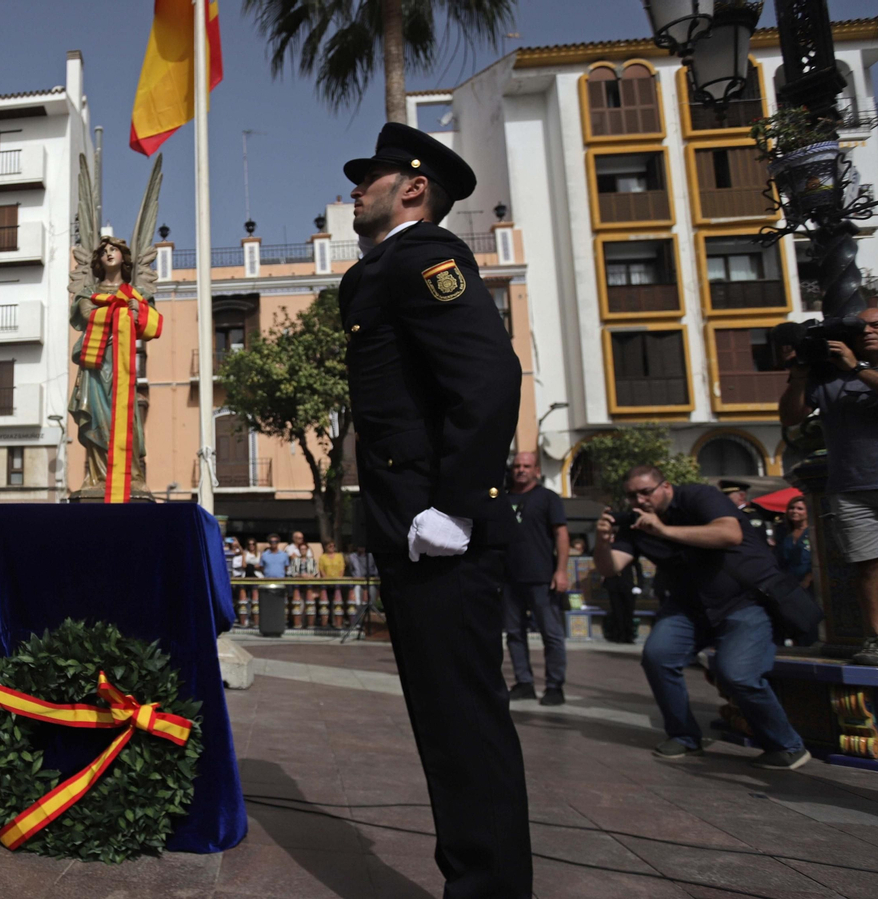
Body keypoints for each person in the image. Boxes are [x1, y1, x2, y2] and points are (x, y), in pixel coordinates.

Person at [340, 122, 530, 895]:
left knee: (463, 722)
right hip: (410, 526)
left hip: (440, 531)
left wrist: (456, 505)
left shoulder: (424, 255)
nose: (356, 188)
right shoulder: (383, 267)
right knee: (444, 722)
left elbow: (489, 375)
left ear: (414, 188)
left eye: (371, 177)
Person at [594, 465, 809, 770]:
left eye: (646, 492)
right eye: (632, 496)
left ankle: (786, 745)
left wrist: (664, 530)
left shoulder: (698, 497)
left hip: (743, 601)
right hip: (688, 607)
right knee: (658, 655)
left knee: (737, 674)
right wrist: (602, 541)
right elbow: (609, 567)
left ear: (665, 487)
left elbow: (730, 533)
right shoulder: (635, 523)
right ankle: (684, 736)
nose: (639, 501)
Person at [780, 307, 878, 666]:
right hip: (851, 487)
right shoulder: (829, 375)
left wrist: (857, 369)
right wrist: (799, 375)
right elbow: (790, 416)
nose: (868, 331)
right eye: (862, 327)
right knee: (868, 566)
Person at [503, 452, 570, 706]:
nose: (521, 470)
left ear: (536, 470)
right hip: (509, 579)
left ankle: (554, 686)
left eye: (527, 466)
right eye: (517, 466)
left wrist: (561, 571)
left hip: (542, 577)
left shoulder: (548, 498)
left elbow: (561, 534)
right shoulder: (503, 498)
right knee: (514, 633)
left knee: (551, 634)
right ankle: (524, 682)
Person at [775, 496, 814, 593]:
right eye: (791, 508)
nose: (794, 511)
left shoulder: (813, 532)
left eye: (800, 509)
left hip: (810, 582)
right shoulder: (784, 532)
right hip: (789, 582)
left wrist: (808, 579)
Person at [719, 479, 773, 546]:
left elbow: (758, 539)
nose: (724, 499)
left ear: (741, 496)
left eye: (727, 495)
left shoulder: (751, 515)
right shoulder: (728, 513)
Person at [318, 541, 347, 629]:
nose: (332, 547)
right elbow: (321, 569)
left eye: (333, 546)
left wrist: (339, 579)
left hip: (338, 583)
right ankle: (328, 621)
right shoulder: (322, 557)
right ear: (326, 547)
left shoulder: (339, 556)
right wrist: (327, 580)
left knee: (338, 602)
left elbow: (342, 568)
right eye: (330, 546)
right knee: (328, 602)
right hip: (327, 583)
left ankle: (338, 621)